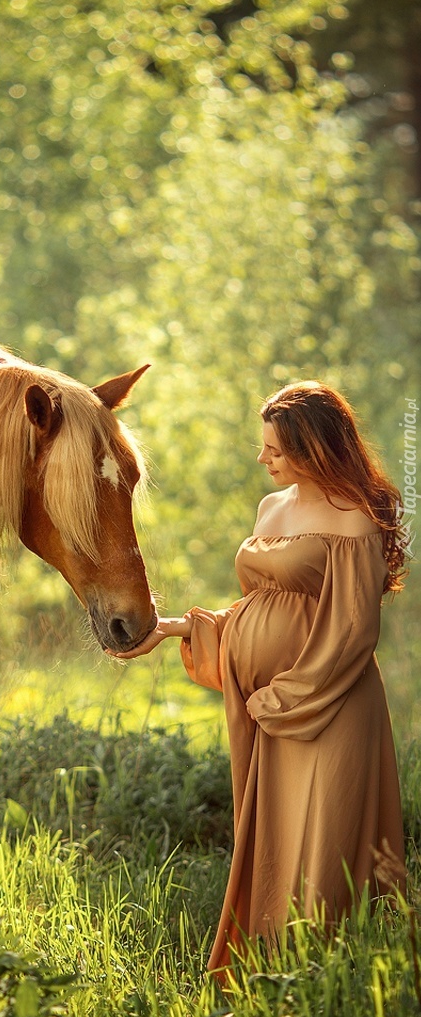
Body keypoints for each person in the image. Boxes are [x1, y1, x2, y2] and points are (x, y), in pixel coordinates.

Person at [111, 381, 408, 976]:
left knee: (325, 840)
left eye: (274, 449)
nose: (262, 458)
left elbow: (352, 631)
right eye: (262, 446)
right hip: (266, 708)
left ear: (315, 447)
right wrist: (173, 628)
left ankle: (326, 980)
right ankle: (269, 970)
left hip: (328, 704)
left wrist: (285, 695)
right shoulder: (271, 510)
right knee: (276, 839)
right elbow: (261, 606)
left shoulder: (356, 519)